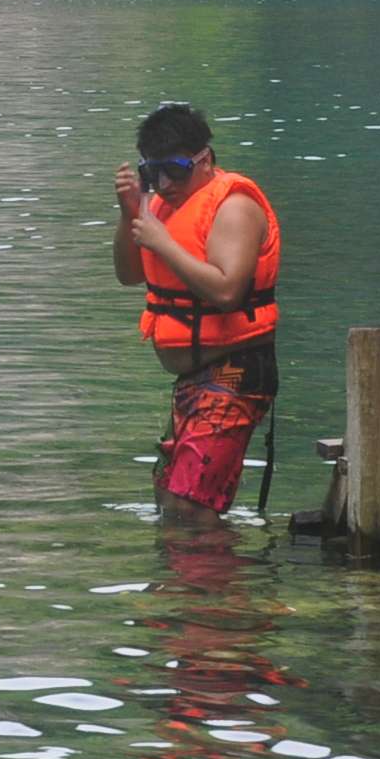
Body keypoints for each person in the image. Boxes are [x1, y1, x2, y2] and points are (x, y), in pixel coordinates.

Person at [113, 102, 282, 522]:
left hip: (235, 372)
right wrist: (130, 212)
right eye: (154, 173)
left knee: (190, 509)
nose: (165, 183)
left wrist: (163, 242)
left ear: (204, 159)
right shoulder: (164, 209)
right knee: (172, 503)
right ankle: (193, 586)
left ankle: (217, 586)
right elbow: (129, 274)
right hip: (193, 380)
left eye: (175, 169)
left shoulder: (234, 206)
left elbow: (227, 291)